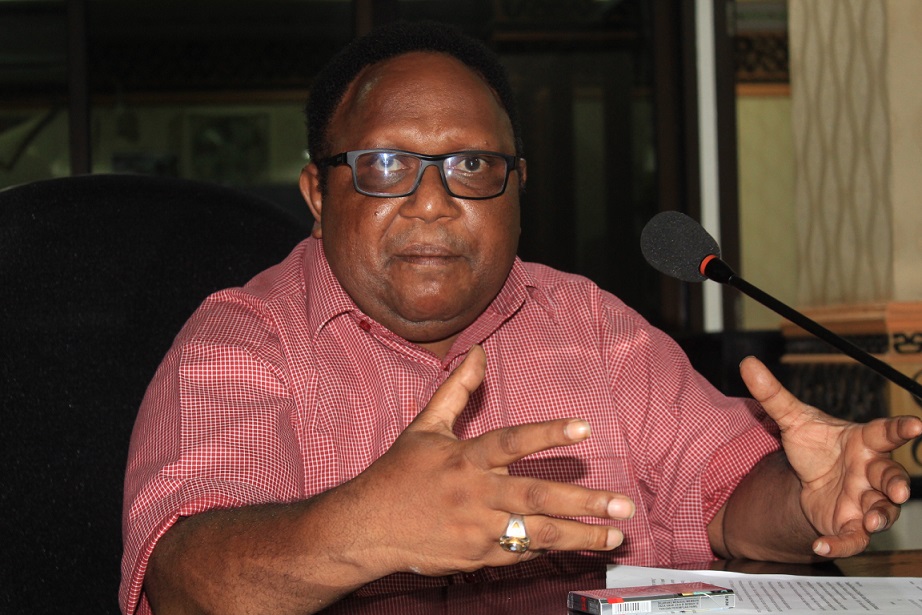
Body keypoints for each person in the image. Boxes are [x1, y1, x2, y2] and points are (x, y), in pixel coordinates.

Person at [120, 20, 922, 615]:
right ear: (319, 195)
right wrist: (368, 525)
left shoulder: (594, 328)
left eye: (472, 164)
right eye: (386, 165)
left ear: (518, 188)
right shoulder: (242, 338)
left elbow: (726, 496)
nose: (433, 202)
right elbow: (185, 583)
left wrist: (807, 498)